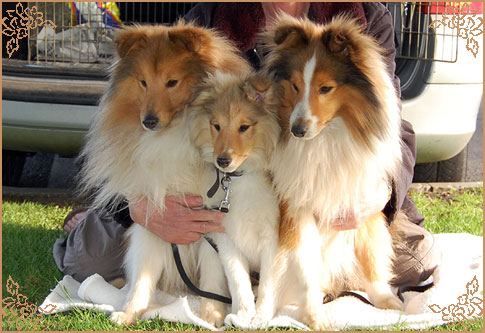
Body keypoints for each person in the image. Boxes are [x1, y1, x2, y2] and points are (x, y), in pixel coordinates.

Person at [54, 2, 441, 288]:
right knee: (89, 257)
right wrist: (135, 207)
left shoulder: (365, 16)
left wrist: (381, 194)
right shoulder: (213, 15)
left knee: (416, 260)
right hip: (223, 190)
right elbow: (148, 138)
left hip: (316, 189)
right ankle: (93, 218)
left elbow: (394, 125)